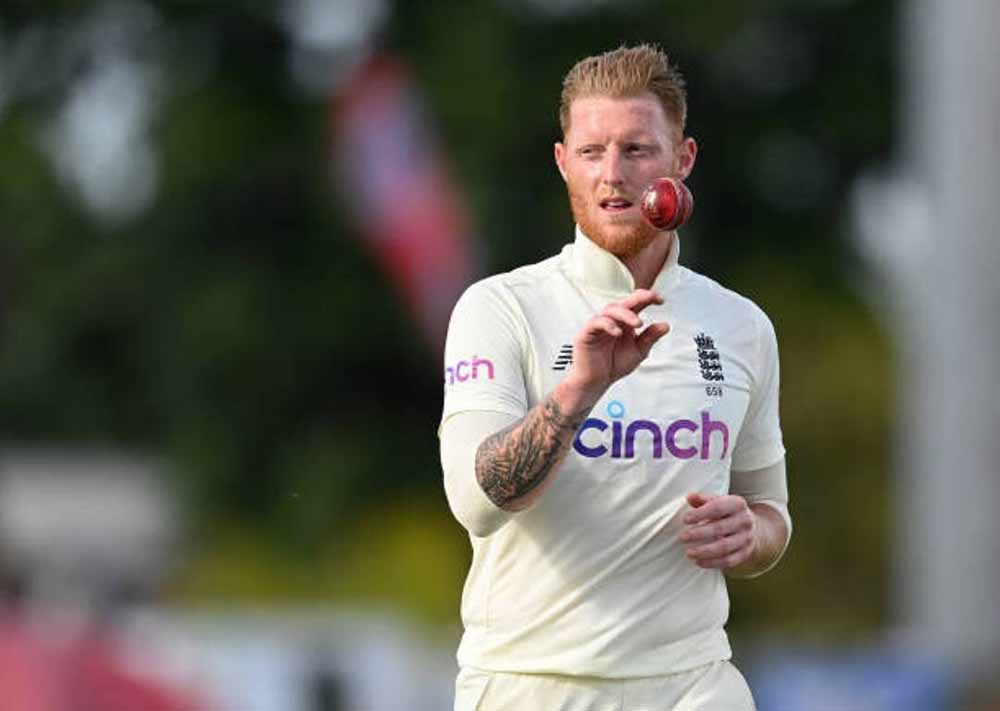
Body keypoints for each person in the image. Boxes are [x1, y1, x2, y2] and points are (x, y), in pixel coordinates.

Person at [439, 44, 791, 711]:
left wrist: (751, 534)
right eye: (592, 151)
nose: (613, 175)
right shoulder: (500, 307)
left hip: (694, 682)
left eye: (637, 150)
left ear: (683, 159)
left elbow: (772, 513)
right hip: (531, 683)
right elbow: (478, 503)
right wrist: (579, 390)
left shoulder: (740, 325)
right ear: (562, 161)